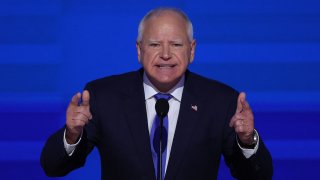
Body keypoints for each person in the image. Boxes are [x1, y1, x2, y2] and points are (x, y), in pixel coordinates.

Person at [41, 7, 273, 180]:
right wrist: (71, 135)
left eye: (176, 44)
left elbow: (258, 176)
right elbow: (53, 167)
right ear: (139, 50)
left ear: (192, 50)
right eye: (154, 45)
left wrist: (247, 140)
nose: (165, 54)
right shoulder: (104, 97)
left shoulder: (220, 101)